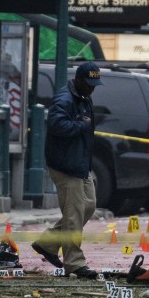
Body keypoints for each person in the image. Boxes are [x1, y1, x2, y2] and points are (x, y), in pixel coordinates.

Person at [31, 62, 101, 280]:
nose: (92, 88)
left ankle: (48, 243)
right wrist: (81, 124)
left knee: (88, 207)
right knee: (74, 215)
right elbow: (57, 125)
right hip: (66, 165)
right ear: (78, 80)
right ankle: (74, 263)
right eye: (89, 84)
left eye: (94, 84)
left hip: (79, 164)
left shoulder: (82, 97)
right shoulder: (65, 99)